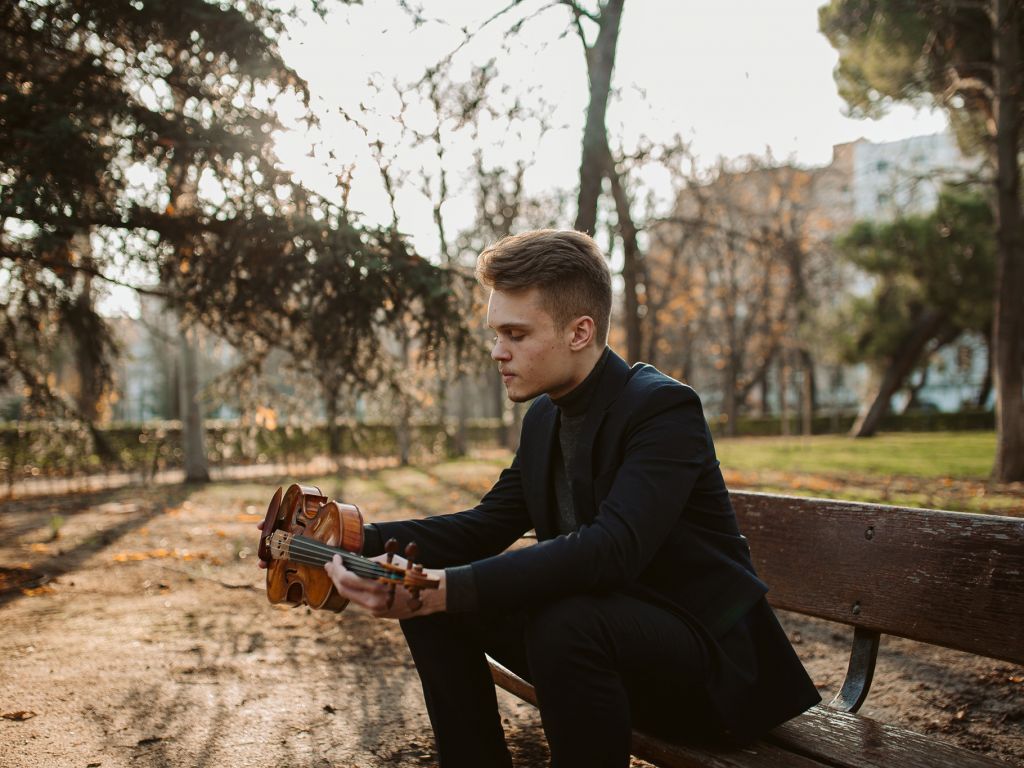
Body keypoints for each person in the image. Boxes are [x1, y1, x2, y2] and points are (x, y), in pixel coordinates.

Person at [268, 229, 820, 767]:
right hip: (605, 656)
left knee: (555, 617)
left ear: (579, 332)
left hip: (712, 676)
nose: (497, 352)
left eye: (516, 334)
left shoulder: (662, 410)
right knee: (428, 598)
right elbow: (485, 524)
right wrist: (352, 539)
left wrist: (449, 587)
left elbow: (612, 549)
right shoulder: (544, 418)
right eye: (496, 334)